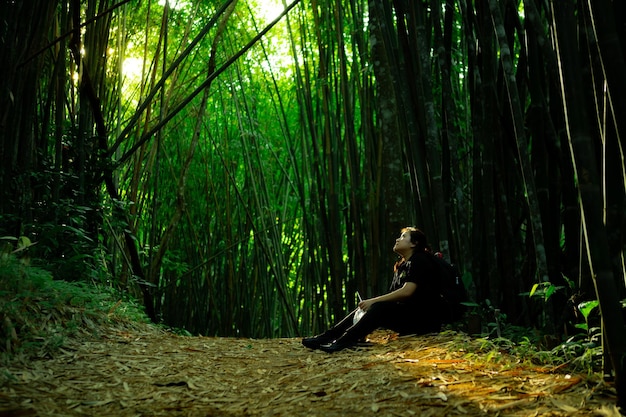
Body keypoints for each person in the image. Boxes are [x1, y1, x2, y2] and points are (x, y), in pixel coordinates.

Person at [302, 227, 442, 353]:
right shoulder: (403, 265)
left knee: (378, 307)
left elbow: (407, 292)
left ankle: (346, 340)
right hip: (410, 317)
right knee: (368, 307)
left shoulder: (420, 260)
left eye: (403, 237)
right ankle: (328, 337)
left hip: (423, 321)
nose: (397, 239)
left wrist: (373, 302)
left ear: (414, 243)